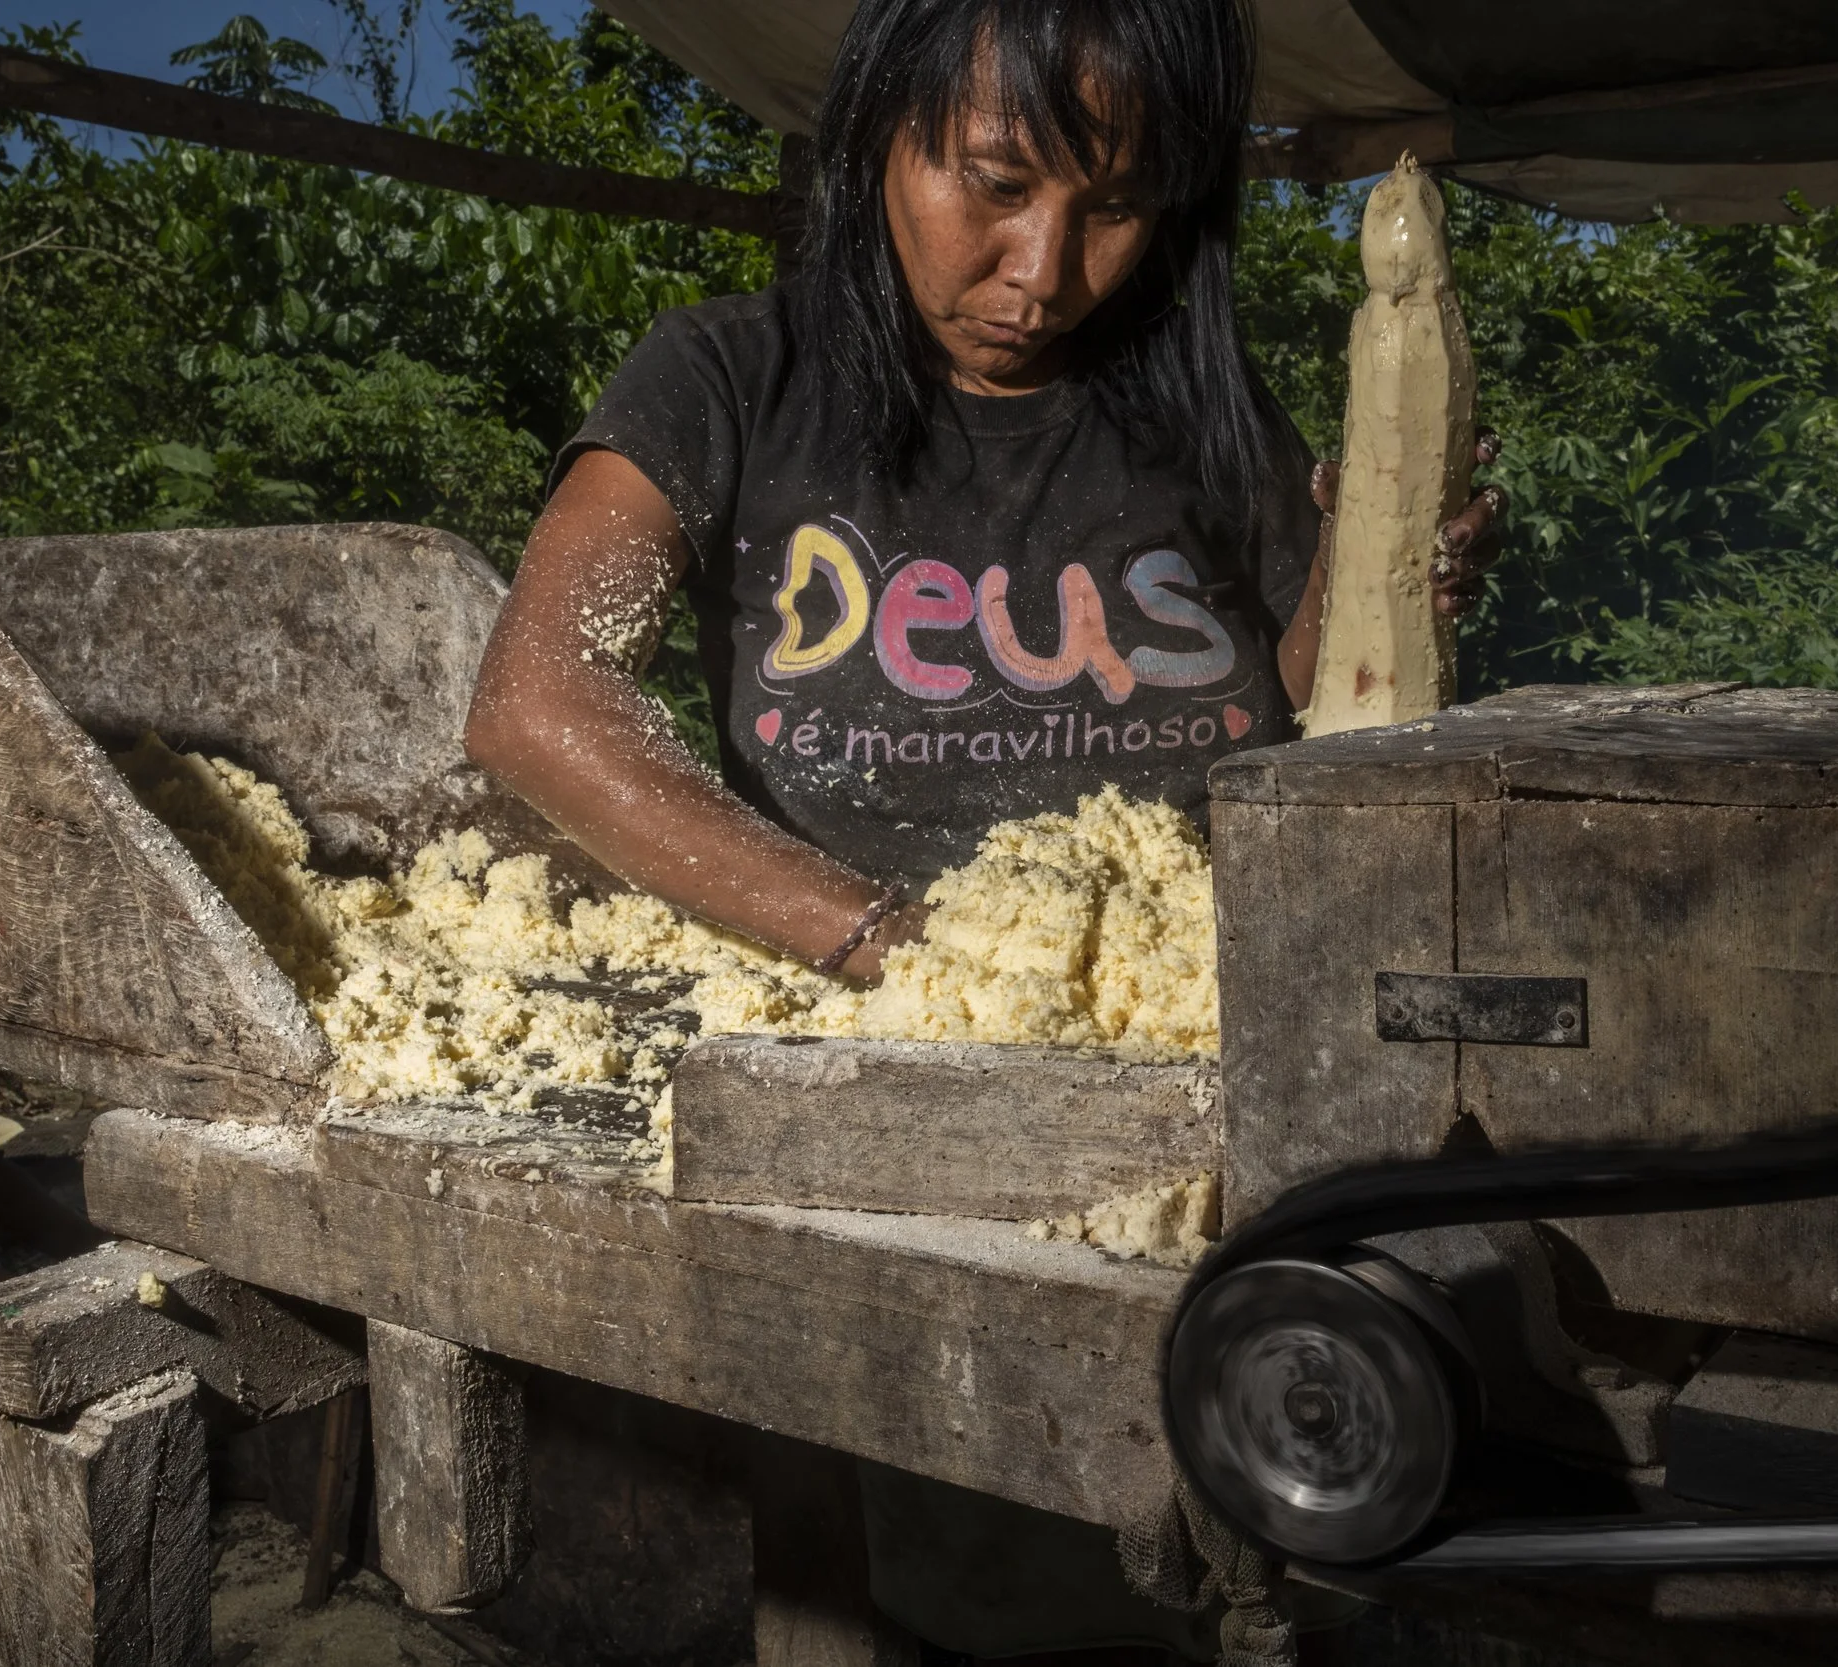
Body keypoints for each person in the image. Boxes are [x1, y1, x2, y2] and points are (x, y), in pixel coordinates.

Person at [466, 0, 1500, 1652]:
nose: (1043, 266)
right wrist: (885, 937)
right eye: (995, 182)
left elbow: (1311, 691)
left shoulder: (1190, 391)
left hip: (1208, 1057)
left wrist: (1392, 570)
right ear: (878, 132)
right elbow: (540, 703)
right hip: (890, 1083)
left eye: (1116, 207)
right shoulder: (734, 377)